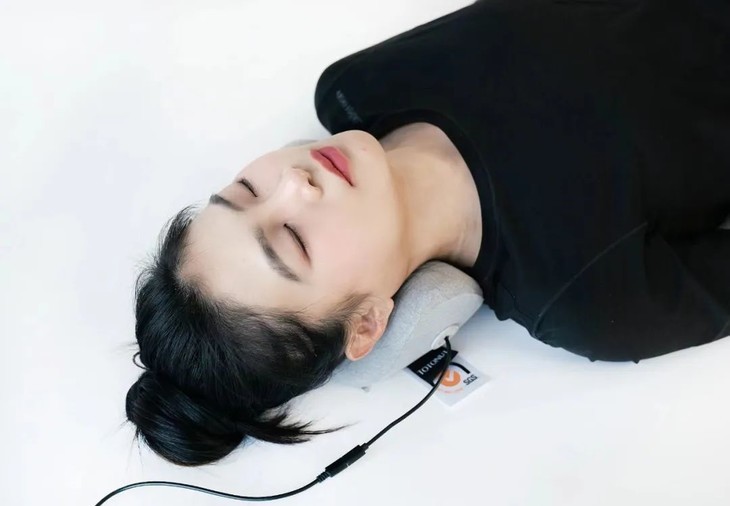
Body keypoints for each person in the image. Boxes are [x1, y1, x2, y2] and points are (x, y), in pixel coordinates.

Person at [125, 0, 730, 466]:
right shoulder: (586, 298)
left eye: (245, 191)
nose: (293, 183)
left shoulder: (357, 87)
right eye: (294, 241)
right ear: (367, 324)